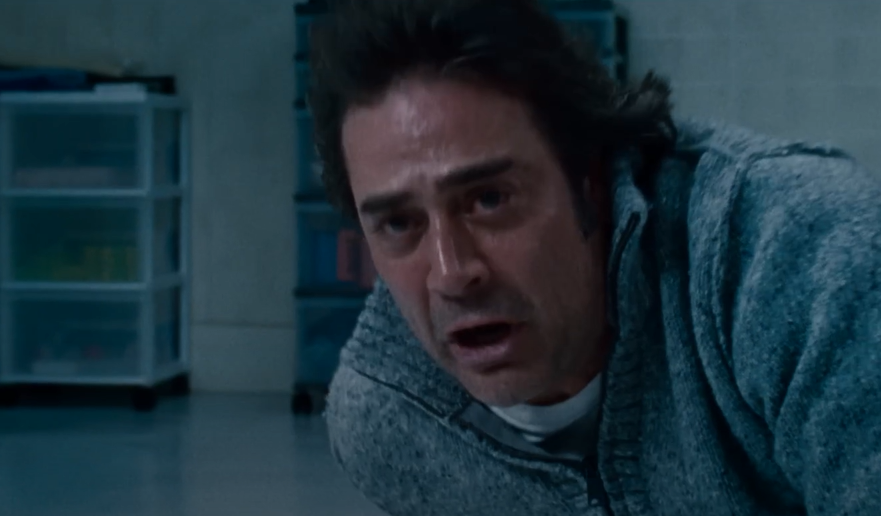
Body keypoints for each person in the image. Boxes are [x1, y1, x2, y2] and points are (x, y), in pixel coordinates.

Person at [308, 0, 881, 514]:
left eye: (489, 199)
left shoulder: (800, 258)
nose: (452, 273)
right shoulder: (394, 417)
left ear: (590, 180)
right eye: (399, 223)